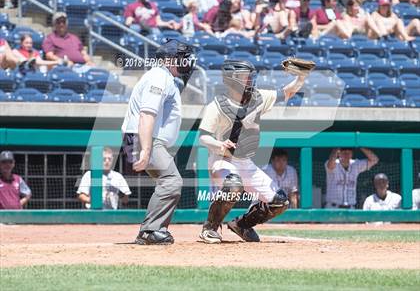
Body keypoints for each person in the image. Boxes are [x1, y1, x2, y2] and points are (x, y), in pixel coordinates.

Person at [198, 59, 308, 244]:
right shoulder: (216, 106)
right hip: (222, 160)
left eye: (250, 77)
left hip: (245, 162)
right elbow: (203, 137)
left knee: (280, 202)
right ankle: (210, 228)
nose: (249, 81)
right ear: (231, 79)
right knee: (233, 185)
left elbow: (287, 92)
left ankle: (241, 225)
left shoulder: (258, 98)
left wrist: (301, 78)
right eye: (244, 77)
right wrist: (219, 145)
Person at [121, 39, 196, 245]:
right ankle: (150, 230)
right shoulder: (158, 77)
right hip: (143, 138)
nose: (186, 61)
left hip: (145, 139)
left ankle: (152, 230)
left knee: (168, 181)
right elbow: (147, 114)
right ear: (169, 59)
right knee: (172, 181)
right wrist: (145, 150)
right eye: (182, 58)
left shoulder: (164, 77)